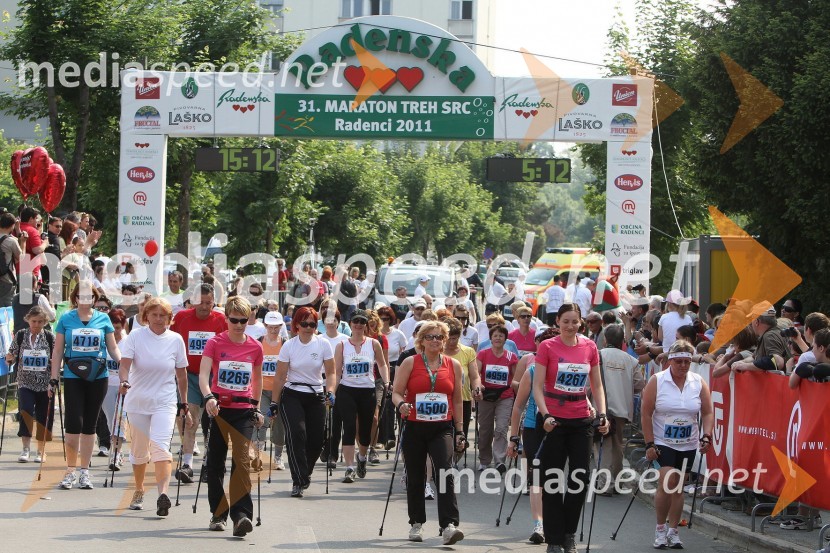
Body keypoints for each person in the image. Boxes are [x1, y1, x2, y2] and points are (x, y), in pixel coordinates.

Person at [532, 303, 610, 553]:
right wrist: (545, 415)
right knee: (552, 479)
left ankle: (568, 534)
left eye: (575, 321)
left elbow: (596, 385)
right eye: (565, 321)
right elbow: (537, 387)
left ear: (580, 323)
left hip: (581, 419)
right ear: (557, 322)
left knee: (580, 478)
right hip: (554, 420)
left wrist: (603, 413)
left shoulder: (589, 346)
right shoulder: (547, 347)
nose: (570, 326)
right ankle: (554, 538)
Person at [392, 321, 466, 545]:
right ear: (422, 340)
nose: (435, 340)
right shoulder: (409, 362)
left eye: (440, 337)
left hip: (441, 427)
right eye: (431, 337)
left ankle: (448, 525)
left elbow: (456, 399)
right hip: (414, 425)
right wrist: (401, 405)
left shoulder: (453, 365)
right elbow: (396, 392)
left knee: (445, 471)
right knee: (416, 476)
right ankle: (416, 523)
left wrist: (460, 430)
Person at [119, 298, 191, 516]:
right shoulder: (136, 336)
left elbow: (181, 374)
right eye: (154, 315)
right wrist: (123, 381)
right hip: (138, 401)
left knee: (161, 446)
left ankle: (163, 495)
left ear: (170, 318)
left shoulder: (176, 339)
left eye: (163, 316)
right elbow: (124, 366)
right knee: (140, 450)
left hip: (165, 402)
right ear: (146, 316)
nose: (159, 319)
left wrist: (184, 401)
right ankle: (139, 489)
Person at [200, 296, 264, 536]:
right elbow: (204, 375)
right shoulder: (215, 343)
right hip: (218, 409)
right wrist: (208, 397)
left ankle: (241, 516)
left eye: (243, 320)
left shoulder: (255, 347)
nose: (238, 325)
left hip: (243, 411)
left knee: (242, 462)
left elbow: (257, 380)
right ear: (226, 318)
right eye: (234, 320)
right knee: (216, 463)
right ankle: (218, 514)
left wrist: (256, 407)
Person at [641, 340, 714, 549]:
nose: (683, 366)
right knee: (668, 482)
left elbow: (708, 412)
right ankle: (660, 529)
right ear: (670, 360)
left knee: (679, 487)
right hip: (663, 441)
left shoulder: (698, 382)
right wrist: (649, 444)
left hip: (688, 443)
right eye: (679, 361)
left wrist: (706, 436)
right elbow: (646, 413)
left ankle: (673, 531)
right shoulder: (658, 380)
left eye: (687, 362)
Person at [50, 282, 121, 490]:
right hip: (73, 375)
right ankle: (70, 470)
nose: (85, 299)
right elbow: (58, 351)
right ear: (75, 298)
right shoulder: (66, 319)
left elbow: (113, 347)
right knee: (73, 423)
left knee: (90, 424)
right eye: (81, 296)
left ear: (94, 298)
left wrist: (124, 365)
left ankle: (84, 472)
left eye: (89, 296)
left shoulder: (103, 319)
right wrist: (54, 377)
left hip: (98, 376)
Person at [271, 306, 336, 498]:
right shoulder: (289, 346)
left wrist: (331, 390)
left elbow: (331, 372)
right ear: (297, 325)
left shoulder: (323, 344)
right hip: (292, 394)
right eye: (305, 323)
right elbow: (280, 376)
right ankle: (298, 480)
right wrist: (274, 402)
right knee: (297, 434)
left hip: (315, 395)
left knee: (316, 440)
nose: (308, 327)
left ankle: (305, 471)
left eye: (313, 324)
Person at [171, 283, 228, 483]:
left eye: (209, 303)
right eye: (201, 302)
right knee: (190, 419)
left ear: (214, 302)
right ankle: (187, 464)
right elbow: (172, 341)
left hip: (213, 377)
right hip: (190, 375)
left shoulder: (221, 320)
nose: (204, 307)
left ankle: (208, 463)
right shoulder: (181, 317)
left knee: (211, 422)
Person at [507, 326, 559, 544]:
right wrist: (513, 437)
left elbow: (578, 395)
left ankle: (552, 521)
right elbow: (518, 406)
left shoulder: (564, 370)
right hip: (532, 428)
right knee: (537, 476)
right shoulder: (531, 371)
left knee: (553, 476)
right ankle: (539, 524)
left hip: (558, 427)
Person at [333, 309, 389, 482]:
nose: (358, 325)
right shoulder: (342, 345)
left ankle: (362, 458)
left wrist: (386, 382)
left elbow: (382, 364)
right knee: (349, 427)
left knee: (365, 430)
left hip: (367, 390)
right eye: (355, 321)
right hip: (347, 390)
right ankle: (349, 467)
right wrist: (331, 392)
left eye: (362, 322)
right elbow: (336, 371)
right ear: (350, 323)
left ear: (366, 325)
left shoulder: (373, 344)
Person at [598, 324, 646, 491]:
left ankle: (605, 484)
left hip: (601, 407)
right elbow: (640, 384)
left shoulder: (598, 356)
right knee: (618, 445)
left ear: (605, 339)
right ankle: (618, 482)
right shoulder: (630, 360)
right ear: (622, 341)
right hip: (622, 409)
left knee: (603, 445)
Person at [7, 306, 55, 463]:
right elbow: (12, 353)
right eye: (34, 321)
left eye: (40, 322)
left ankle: (41, 451)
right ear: (28, 320)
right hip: (25, 381)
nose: (36, 325)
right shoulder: (21, 335)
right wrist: (10, 358)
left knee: (43, 415)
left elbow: (57, 355)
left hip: (45, 383)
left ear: (45, 322)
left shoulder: (49, 337)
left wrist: (55, 363)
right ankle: (25, 449)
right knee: (26, 411)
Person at [476, 324, 518, 473]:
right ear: (491, 338)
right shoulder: (483, 354)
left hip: (505, 396)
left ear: (505, 339)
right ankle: (484, 460)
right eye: (495, 335)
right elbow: (476, 374)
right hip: (486, 396)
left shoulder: (511, 357)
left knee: (501, 428)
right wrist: (478, 386)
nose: (498, 338)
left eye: (501, 335)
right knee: (485, 430)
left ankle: (500, 460)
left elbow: (516, 378)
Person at [259, 311, 287, 470]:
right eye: (271, 327)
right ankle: (259, 455)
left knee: (279, 424)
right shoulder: (258, 342)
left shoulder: (285, 343)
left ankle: (278, 457)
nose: (274, 330)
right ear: (265, 326)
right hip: (262, 389)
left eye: (277, 327)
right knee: (261, 420)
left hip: (280, 390)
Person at [0, 212, 24, 307]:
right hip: (7, 280)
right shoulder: (11, 241)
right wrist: (23, 242)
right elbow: (21, 258)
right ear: (12, 226)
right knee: (7, 310)